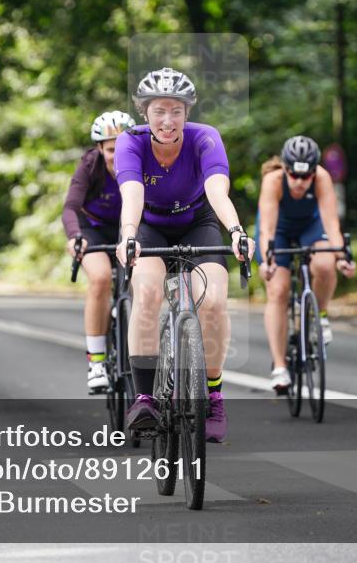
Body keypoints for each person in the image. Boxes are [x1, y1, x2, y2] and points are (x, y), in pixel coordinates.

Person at [115, 67, 253, 443]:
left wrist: (238, 232)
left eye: (176, 110)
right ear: (145, 112)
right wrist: (129, 234)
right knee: (145, 293)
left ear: (187, 113)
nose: (167, 120)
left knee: (213, 303)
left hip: (199, 221)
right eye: (159, 110)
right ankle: (144, 397)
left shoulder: (205, 138)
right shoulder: (130, 142)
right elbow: (132, 196)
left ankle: (213, 394)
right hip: (150, 225)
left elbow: (217, 191)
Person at [255, 136, 356, 393]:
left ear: (314, 172)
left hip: (310, 226)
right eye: (294, 175)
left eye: (306, 176)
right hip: (278, 229)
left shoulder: (322, 178)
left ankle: (319, 315)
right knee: (278, 289)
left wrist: (342, 258)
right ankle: (280, 367)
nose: (300, 182)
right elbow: (266, 228)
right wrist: (267, 262)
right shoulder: (273, 181)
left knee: (324, 264)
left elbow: (332, 224)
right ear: (285, 169)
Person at [63, 110, 137, 394]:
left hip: (129, 229)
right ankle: (96, 361)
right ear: (98, 148)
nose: (117, 155)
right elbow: (70, 207)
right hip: (92, 229)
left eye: (123, 147)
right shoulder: (90, 166)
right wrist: (75, 236)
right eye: (110, 149)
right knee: (101, 279)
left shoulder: (145, 164)